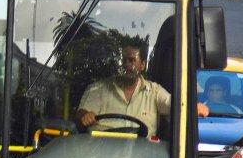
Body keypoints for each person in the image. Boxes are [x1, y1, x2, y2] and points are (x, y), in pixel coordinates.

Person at [75, 45, 209, 136]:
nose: (127, 64)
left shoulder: (154, 92)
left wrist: (194, 107)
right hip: (100, 155)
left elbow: (174, 104)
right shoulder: (98, 89)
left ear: (143, 65)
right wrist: (85, 116)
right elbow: (80, 115)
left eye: (132, 60)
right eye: (124, 60)